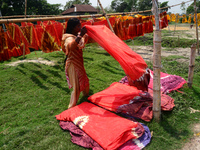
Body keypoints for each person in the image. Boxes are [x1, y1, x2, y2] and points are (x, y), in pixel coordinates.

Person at [61, 18, 89, 109]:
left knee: (84, 79)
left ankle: (86, 95)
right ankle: (71, 107)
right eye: (78, 26)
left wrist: (83, 35)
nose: (80, 28)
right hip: (73, 64)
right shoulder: (68, 38)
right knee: (76, 87)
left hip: (79, 62)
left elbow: (83, 41)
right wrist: (81, 35)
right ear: (72, 28)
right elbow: (71, 46)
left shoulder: (76, 35)